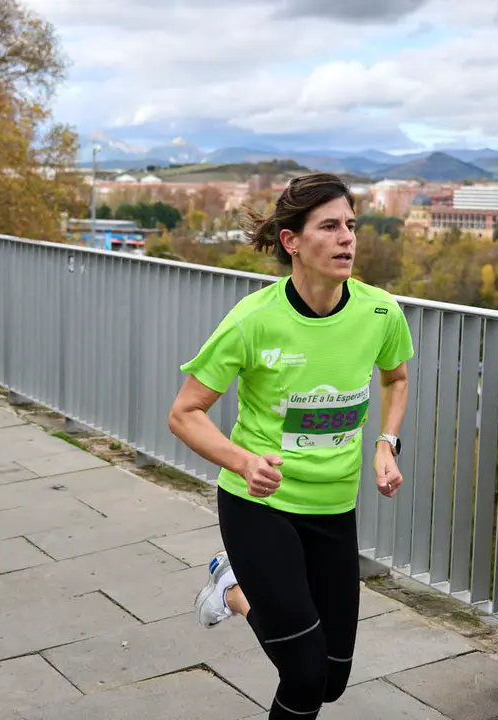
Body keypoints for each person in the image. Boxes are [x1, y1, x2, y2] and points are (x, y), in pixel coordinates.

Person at [168, 173, 413, 719]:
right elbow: (184, 414)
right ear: (292, 241)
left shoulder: (380, 313)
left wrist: (385, 444)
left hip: (334, 508)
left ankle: (232, 589)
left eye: (351, 225)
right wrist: (244, 461)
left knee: (332, 681)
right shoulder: (254, 321)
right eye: (329, 226)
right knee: (302, 675)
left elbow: (396, 379)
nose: (347, 238)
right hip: (260, 507)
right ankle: (238, 574)